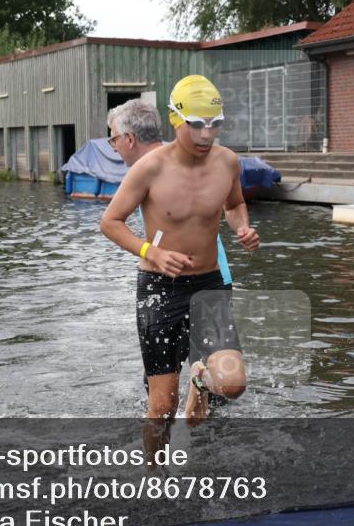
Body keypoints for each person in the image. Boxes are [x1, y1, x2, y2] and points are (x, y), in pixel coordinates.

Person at [101, 75, 259, 469]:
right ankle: (154, 475)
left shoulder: (228, 162)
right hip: (160, 288)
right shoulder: (150, 168)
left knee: (234, 384)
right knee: (162, 405)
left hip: (209, 285)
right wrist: (149, 252)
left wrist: (241, 226)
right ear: (176, 120)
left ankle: (202, 380)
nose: (207, 133)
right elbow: (111, 222)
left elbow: (235, 204)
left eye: (214, 123)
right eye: (197, 124)